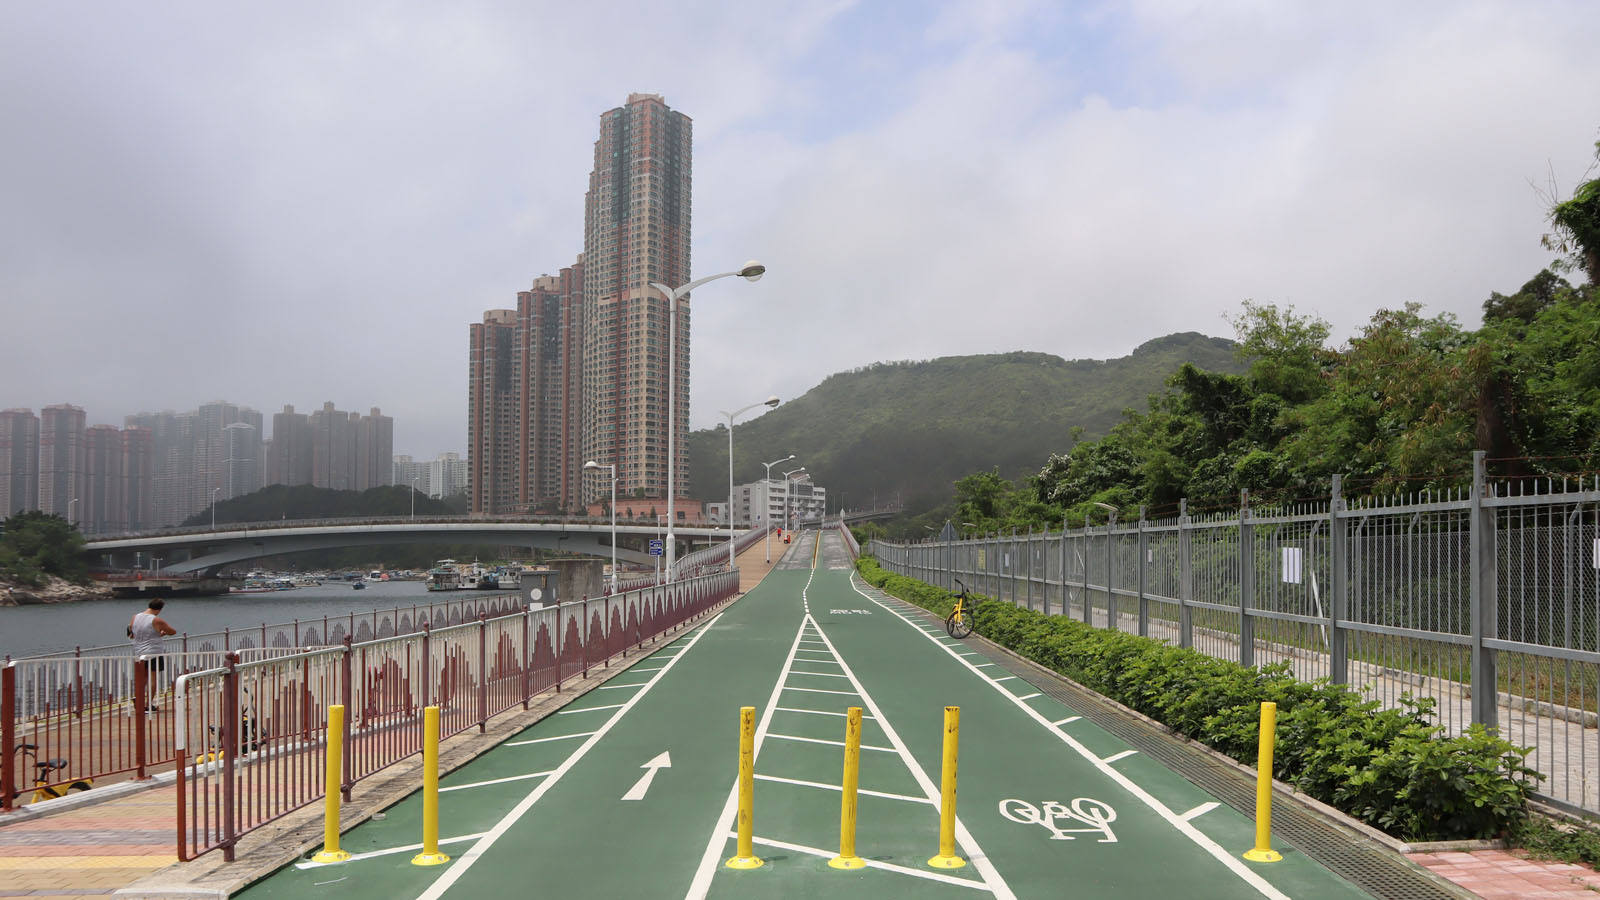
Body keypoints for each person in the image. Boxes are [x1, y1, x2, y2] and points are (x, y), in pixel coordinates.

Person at [128, 599, 177, 709]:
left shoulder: (135, 617)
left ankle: (138, 698)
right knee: (153, 678)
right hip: (153, 652)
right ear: (159, 609)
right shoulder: (156, 620)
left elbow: (131, 633)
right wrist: (163, 633)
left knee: (142, 678)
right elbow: (172, 631)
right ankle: (148, 704)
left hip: (139, 652)